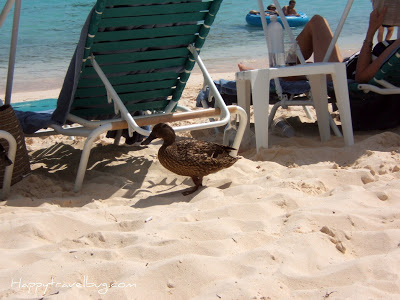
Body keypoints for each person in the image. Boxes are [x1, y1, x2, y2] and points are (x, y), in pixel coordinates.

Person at [239, 7, 400, 84]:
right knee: (307, 66)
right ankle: (280, 71)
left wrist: (371, 32)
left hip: (341, 76)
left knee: (317, 21)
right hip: (344, 67)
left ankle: (275, 72)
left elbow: (362, 76)